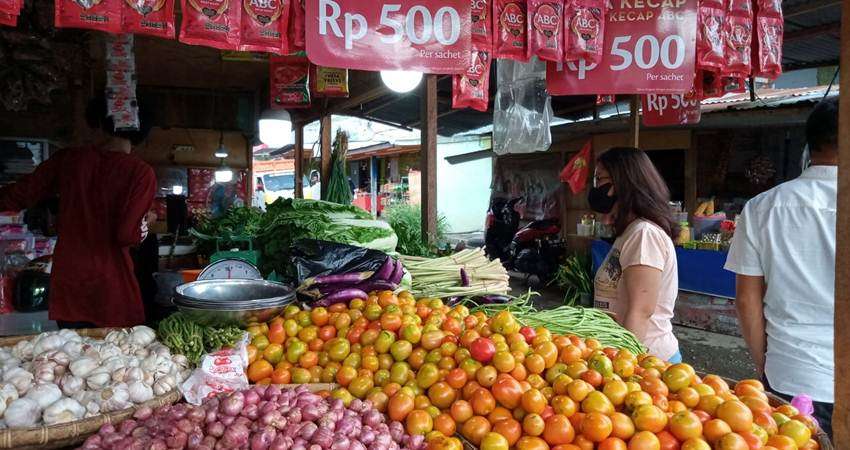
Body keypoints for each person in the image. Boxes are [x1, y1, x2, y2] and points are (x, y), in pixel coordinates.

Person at [725, 96, 837, 438]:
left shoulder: (763, 207)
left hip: (792, 374)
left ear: (810, 143)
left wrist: (765, 364)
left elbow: (747, 300)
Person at [0, 95, 156, 328]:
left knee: (72, 357)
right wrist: (145, 222)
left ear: (102, 123)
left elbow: (19, 194)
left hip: (70, 283)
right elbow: (127, 235)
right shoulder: (140, 173)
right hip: (110, 286)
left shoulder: (68, 160)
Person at [591, 147, 681, 362]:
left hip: (648, 360)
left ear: (623, 182)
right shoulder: (632, 231)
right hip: (624, 353)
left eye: (600, 179)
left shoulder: (644, 235)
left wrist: (625, 369)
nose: (596, 188)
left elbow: (640, 312)